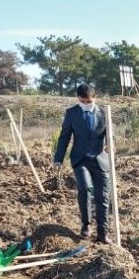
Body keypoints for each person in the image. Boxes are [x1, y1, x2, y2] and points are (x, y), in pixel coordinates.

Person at [53, 83, 110, 244]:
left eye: (88, 101)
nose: (86, 104)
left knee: (103, 196)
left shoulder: (104, 113)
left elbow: (110, 136)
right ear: (78, 99)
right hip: (80, 159)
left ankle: (102, 233)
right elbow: (64, 137)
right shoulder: (71, 113)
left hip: (100, 160)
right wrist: (58, 159)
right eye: (82, 101)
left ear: (94, 98)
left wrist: (111, 145)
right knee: (85, 189)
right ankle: (86, 225)